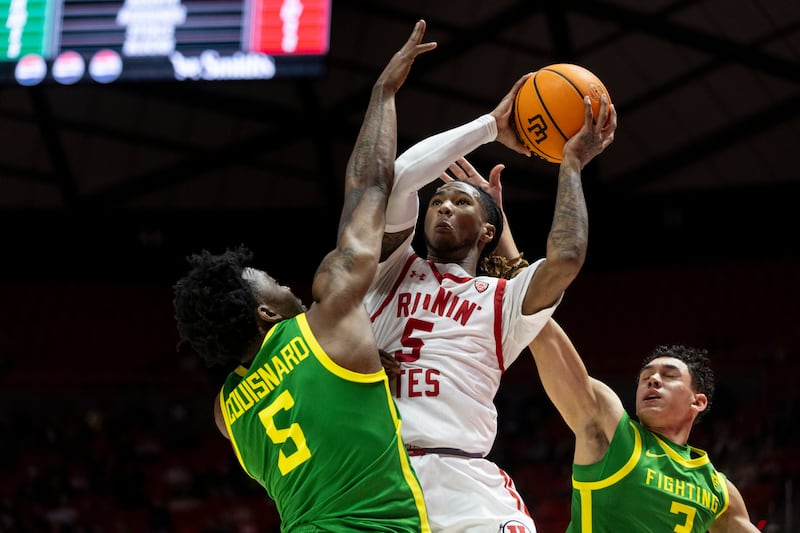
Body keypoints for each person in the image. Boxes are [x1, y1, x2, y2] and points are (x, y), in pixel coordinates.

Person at [172, 20, 436, 532]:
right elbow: (370, 188)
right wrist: (383, 93)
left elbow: (304, 398)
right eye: (272, 280)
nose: (288, 286)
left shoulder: (227, 413)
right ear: (265, 311)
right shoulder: (329, 316)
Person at [359, 76, 617, 531]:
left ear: (486, 233)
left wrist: (571, 166)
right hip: (377, 474)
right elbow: (399, 178)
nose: (442, 207)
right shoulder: (391, 268)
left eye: (460, 202)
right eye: (437, 200)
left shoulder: (502, 301)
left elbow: (565, 261)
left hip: (462, 481)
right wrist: (490, 126)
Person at [528, 319, 760, 532]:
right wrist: (527, 298)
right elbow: (555, 354)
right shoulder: (616, 435)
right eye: (645, 377)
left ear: (697, 401)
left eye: (669, 376)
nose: (653, 380)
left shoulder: (718, 489)